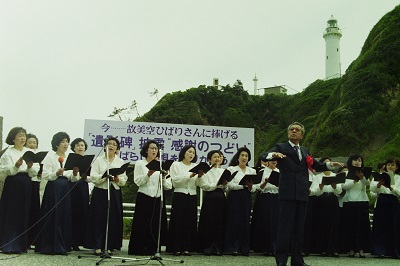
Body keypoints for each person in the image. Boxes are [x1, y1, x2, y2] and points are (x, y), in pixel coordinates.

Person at [260, 122, 342, 266]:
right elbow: (264, 155)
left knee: (299, 228)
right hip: (287, 193)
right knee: (284, 228)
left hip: (302, 193)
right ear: (288, 133)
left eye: (297, 130)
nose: (294, 131)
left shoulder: (305, 151)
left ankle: (297, 260)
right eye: (291, 129)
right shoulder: (281, 147)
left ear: (302, 135)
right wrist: (274, 155)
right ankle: (281, 261)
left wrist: (330, 165)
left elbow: (316, 165)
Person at [35, 131, 79, 255]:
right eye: (63, 142)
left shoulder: (71, 156)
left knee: (64, 214)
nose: (65, 144)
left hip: (65, 186)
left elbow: (74, 177)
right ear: (56, 144)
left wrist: (75, 173)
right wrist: (56, 173)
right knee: (53, 214)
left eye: (67, 141)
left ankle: (63, 245)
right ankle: (50, 245)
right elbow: (45, 175)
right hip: (54, 187)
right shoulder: (50, 157)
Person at [128, 140, 172, 255]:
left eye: (156, 149)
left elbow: (168, 186)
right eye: (152, 148)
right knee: (142, 223)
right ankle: (139, 248)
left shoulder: (161, 164)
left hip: (158, 197)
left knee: (156, 223)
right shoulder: (140, 163)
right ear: (146, 150)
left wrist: (163, 176)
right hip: (144, 195)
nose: (154, 150)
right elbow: (137, 181)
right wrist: (148, 174)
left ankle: (153, 248)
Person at [85, 137, 127, 256]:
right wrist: (104, 177)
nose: (112, 146)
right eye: (109, 144)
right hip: (101, 191)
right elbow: (93, 177)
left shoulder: (120, 161)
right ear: (105, 146)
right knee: (99, 218)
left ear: (117, 148)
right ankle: (98, 245)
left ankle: (109, 246)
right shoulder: (98, 160)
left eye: (114, 145)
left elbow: (124, 179)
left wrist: (118, 179)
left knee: (112, 219)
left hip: (114, 191)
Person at [0, 127, 39, 254]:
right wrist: (16, 165)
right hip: (13, 183)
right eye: (20, 135)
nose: (23, 138)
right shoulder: (8, 152)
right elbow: (4, 169)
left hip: (26, 183)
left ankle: (22, 244)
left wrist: (30, 167)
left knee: (24, 212)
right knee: (12, 213)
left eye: (24, 135)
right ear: (13, 138)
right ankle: (9, 244)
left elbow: (35, 172)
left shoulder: (29, 151)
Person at [167, 144, 199, 256]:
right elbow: (175, 181)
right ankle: (176, 247)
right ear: (184, 153)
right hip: (180, 194)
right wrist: (189, 175)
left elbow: (198, 183)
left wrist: (199, 176)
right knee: (178, 221)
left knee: (189, 221)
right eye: (189, 152)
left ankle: (187, 247)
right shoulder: (176, 165)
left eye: (193, 153)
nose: (191, 154)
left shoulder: (196, 165)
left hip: (192, 194)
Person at [224, 147, 256, 256]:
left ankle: (244, 247)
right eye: (242, 155)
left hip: (246, 197)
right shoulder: (232, 169)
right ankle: (233, 247)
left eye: (246, 156)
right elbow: (229, 185)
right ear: (237, 157)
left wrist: (250, 187)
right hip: (235, 197)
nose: (244, 158)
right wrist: (242, 185)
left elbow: (255, 187)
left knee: (245, 221)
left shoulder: (252, 171)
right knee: (234, 221)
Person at [309, 157, 342, 257]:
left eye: (329, 162)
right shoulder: (317, 177)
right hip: (322, 200)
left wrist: (334, 186)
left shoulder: (335, 175)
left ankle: (333, 248)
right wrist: (321, 186)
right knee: (322, 223)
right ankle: (322, 248)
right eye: (325, 163)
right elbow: (314, 191)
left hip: (332, 199)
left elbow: (339, 191)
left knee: (333, 224)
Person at [197, 150, 227, 256]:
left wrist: (224, 184)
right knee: (209, 222)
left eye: (219, 157)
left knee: (220, 222)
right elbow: (204, 185)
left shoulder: (223, 171)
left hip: (220, 197)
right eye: (214, 157)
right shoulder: (206, 171)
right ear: (209, 159)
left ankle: (218, 247)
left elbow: (226, 186)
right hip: (210, 197)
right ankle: (207, 246)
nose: (217, 159)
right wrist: (216, 185)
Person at [341, 154, 371, 258]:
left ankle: (361, 249)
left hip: (362, 201)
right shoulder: (346, 173)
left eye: (359, 160)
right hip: (349, 202)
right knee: (350, 226)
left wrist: (362, 178)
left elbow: (367, 184)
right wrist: (354, 180)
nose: (357, 162)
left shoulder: (364, 173)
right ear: (351, 162)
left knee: (361, 226)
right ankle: (351, 249)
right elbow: (344, 186)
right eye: (355, 160)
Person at [370, 158, 400, 258]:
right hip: (382, 200)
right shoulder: (380, 176)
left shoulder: (399, 178)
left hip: (393, 201)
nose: (390, 167)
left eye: (392, 165)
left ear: (397, 167)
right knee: (381, 225)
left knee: (393, 225)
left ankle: (393, 251)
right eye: (388, 165)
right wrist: (378, 185)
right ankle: (380, 250)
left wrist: (391, 187)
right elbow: (372, 190)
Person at [250, 158, 279, 256]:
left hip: (277, 198)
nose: (274, 162)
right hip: (265, 198)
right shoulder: (262, 171)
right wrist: (265, 182)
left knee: (276, 222)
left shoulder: (279, 171)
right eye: (272, 160)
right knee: (266, 221)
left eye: (275, 160)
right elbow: (257, 187)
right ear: (268, 161)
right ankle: (264, 247)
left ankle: (275, 247)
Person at [69, 138, 91, 251]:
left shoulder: (89, 160)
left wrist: (86, 177)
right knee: (71, 212)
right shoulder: (70, 158)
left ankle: (78, 241)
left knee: (82, 212)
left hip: (83, 186)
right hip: (71, 187)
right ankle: (69, 240)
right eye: (78, 145)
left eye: (82, 145)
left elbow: (92, 176)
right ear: (74, 147)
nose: (80, 147)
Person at [24, 133, 42, 247]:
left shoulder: (39, 156)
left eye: (34, 143)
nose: (32, 144)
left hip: (36, 183)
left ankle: (33, 239)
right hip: (26, 183)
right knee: (26, 210)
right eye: (30, 142)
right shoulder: (23, 153)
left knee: (35, 210)